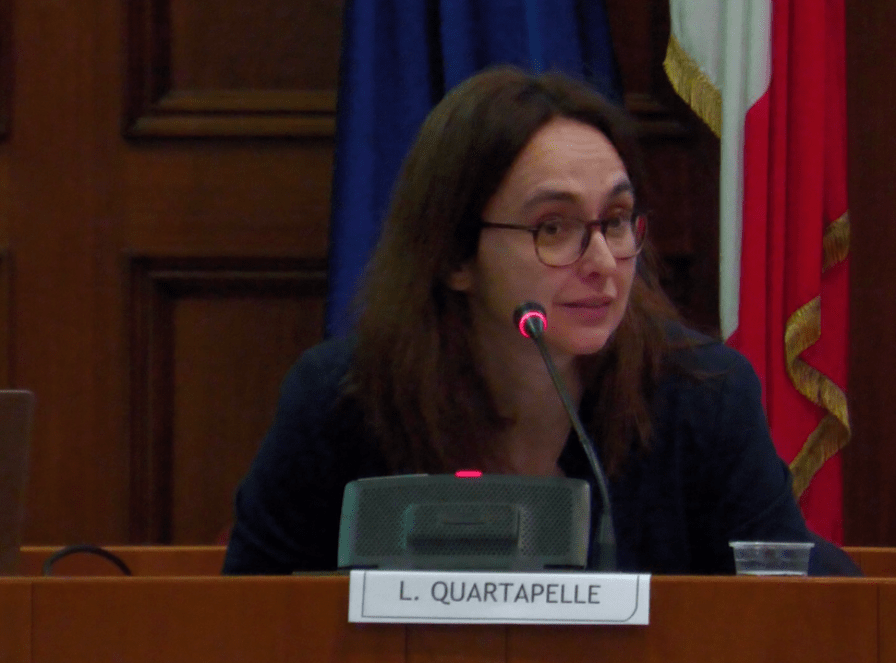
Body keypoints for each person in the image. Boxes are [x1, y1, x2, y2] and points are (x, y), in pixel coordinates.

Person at [222, 66, 859, 576]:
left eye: (616, 221)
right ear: (455, 257)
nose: (602, 263)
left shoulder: (703, 397)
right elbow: (249, 622)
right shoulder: (343, 401)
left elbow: (789, 613)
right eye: (553, 227)